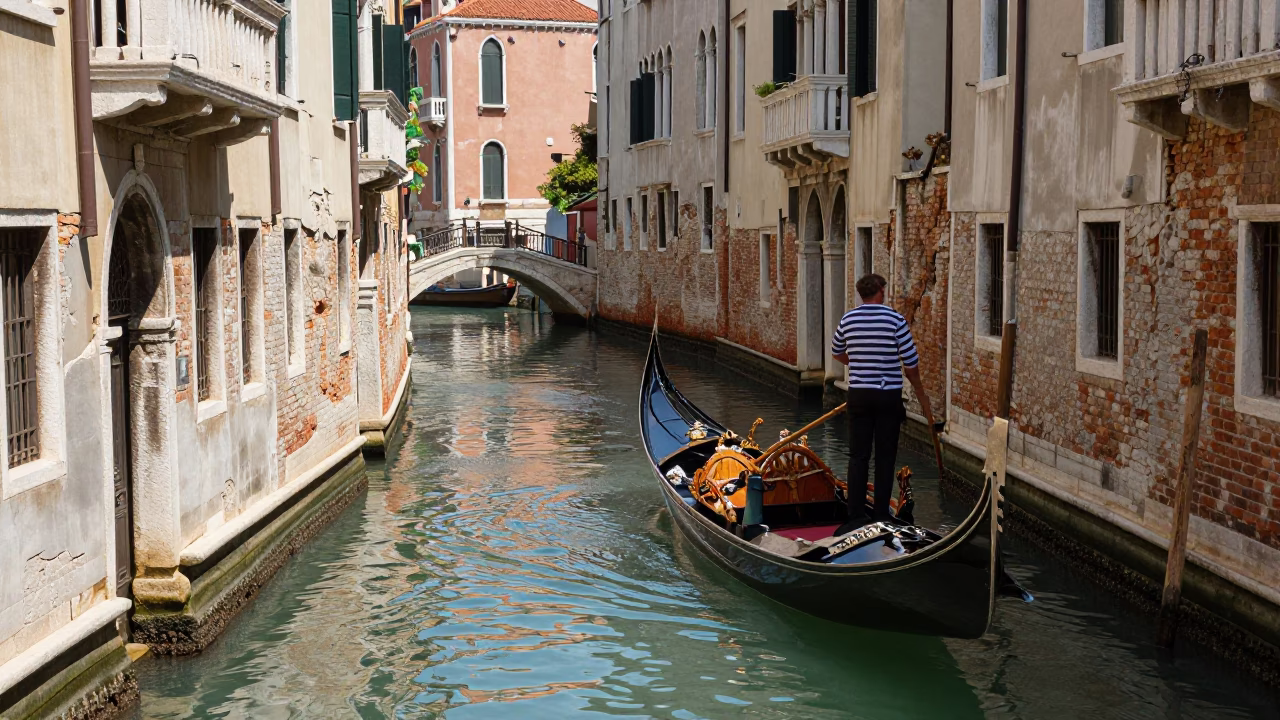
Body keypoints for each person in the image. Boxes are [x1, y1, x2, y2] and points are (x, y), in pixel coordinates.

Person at [831, 274, 934, 526]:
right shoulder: (895, 319)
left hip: (859, 395)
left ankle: (855, 515)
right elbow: (910, 363)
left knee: (858, 456)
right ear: (880, 291)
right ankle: (880, 514)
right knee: (885, 457)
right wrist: (918, 386)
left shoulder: (848, 319)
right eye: (884, 289)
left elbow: (837, 351)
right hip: (887, 396)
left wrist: (857, 362)